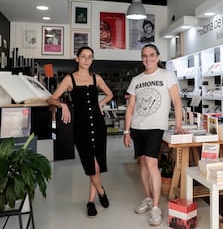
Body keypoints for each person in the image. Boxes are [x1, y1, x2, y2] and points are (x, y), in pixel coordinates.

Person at [47, 46, 113, 218]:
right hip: (81, 128)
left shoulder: (96, 78)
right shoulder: (70, 79)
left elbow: (110, 94)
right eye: (83, 56)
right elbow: (51, 99)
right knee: (92, 166)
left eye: (89, 57)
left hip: (98, 126)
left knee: (96, 166)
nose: (86, 60)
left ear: (92, 59)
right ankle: (102, 192)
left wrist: (101, 104)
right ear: (77, 59)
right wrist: (63, 105)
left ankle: (90, 201)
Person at [123, 43, 184, 226]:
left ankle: (156, 208)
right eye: (144, 55)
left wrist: (178, 125)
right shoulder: (136, 79)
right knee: (143, 162)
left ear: (157, 57)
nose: (148, 58)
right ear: (142, 58)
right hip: (137, 127)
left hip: (156, 127)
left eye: (151, 55)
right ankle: (148, 198)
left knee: (151, 162)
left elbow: (177, 102)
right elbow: (131, 108)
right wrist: (126, 130)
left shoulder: (167, 75)